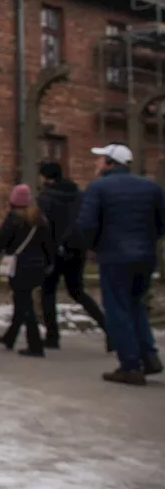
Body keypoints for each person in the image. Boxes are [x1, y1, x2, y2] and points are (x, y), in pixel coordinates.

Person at [76, 144, 164, 385]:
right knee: (135, 305)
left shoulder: (98, 188)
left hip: (114, 256)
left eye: (100, 159)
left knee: (117, 309)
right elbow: (161, 222)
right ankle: (149, 356)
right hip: (145, 256)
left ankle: (130, 365)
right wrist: (147, 242)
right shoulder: (151, 187)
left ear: (110, 162)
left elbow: (86, 224)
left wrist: (94, 246)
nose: (96, 163)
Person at [0, 184, 55, 357]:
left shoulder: (13, 220)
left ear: (13, 201)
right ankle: (10, 337)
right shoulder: (40, 219)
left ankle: (35, 346)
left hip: (20, 267)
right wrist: (49, 263)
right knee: (22, 302)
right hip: (37, 266)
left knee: (24, 305)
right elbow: (49, 245)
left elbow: (0, 243)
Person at [37, 161, 107, 349]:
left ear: (47, 178)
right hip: (77, 247)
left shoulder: (45, 198)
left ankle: (52, 336)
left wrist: (44, 250)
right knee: (77, 291)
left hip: (54, 250)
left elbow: (45, 227)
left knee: (48, 292)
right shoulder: (79, 195)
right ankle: (108, 329)